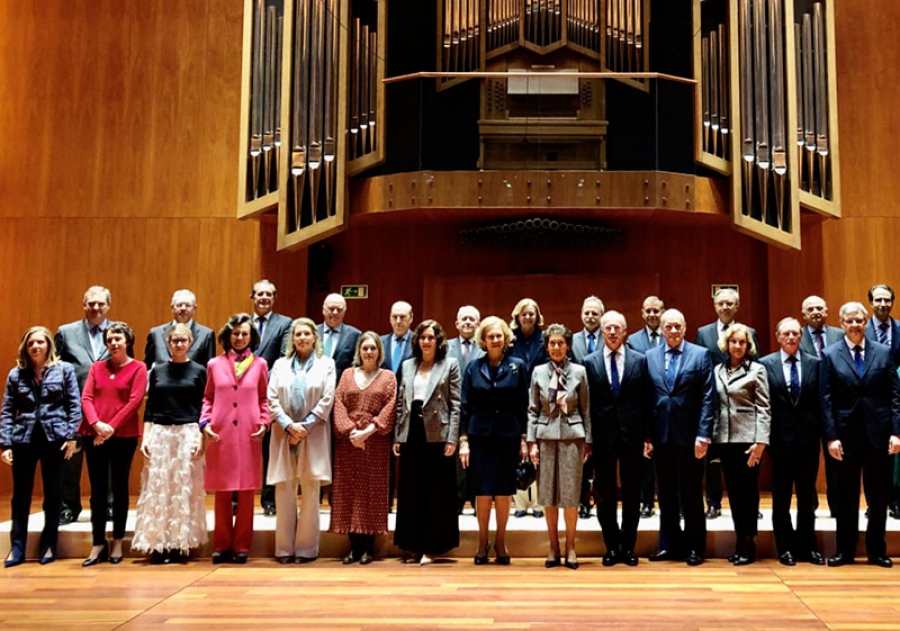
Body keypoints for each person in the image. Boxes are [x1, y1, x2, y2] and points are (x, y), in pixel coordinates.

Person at [821, 302, 900, 568]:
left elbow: (895, 396)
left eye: (860, 320)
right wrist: (831, 436)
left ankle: (877, 551)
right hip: (844, 437)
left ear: (866, 323)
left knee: (879, 497)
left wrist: (896, 432)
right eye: (850, 320)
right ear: (841, 323)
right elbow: (826, 399)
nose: (855, 325)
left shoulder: (884, 352)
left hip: (879, 435)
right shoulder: (830, 354)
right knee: (846, 497)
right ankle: (845, 550)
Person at [1, 327, 81, 567]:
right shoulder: (16, 374)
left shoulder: (64, 370)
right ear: (25, 348)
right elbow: (7, 410)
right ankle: (17, 548)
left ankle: (49, 544)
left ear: (49, 345)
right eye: (30, 343)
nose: (35, 347)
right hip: (23, 439)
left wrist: (72, 436)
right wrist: (5, 443)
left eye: (40, 342)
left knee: (54, 494)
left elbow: (74, 406)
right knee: (21, 496)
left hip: (54, 439)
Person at [132, 323, 208, 565]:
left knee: (183, 490)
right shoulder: (157, 371)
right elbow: (150, 406)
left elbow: (203, 407)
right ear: (168, 343)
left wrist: (201, 436)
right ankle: (159, 544)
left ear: (190, 343)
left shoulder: (199, 371)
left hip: (188, 432)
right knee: (159, 489)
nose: (178, 344)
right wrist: (147, 435)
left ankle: (179, 543)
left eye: (182, 340)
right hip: (161, 433)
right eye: (174, 340)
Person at [646, 309, 716, 566]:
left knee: (691, 495)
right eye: (669, 327)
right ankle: (669, 545)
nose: (673, 331)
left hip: (691, 438)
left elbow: (709, 398)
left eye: (677, 326)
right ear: (662, 329)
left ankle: (695, 547)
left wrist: (704, 434)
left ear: (685, 328)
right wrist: (647, 435)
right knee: (665, 495)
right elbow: (647, 397)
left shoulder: (700, 355)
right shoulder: (650, 356)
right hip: (661, 437)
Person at [459, 316, 529, 565]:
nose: (495, 340)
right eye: (491, 336)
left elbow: (523, 405)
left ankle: (500, 541)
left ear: (506, 338)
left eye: (499, 335)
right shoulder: (473, 367)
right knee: (482, 490)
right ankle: (481, 542)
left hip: (508, 436)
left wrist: (524, 438)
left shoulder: (518, 366)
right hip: (480, 437)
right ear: (483, 340)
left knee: (503, 491)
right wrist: (464, 439)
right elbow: (465, 405)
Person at [201, 313, 270, 564]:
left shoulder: (260, 364)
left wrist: (264, 422)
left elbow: (264, 398)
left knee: (245, 492)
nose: (240, 338)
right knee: (221, 491)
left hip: (249, 433)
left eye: (244, 333)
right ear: (227, 336)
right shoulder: (214, 364)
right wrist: (205, 422)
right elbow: (208, 397)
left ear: (251, 337)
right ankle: (221, 545)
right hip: (222, 433)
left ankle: (241, 545)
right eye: (235, 333)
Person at [80, 321, 148, 566]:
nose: (113, 343)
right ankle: (99, 542)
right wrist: (97, 424)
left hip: (123, 436)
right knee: (97, 491)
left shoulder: (138, 368)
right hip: (94, 433)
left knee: (119, 488)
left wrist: (109, 428)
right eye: (109, 340)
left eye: (118, 339)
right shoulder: (97, 367)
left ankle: (118, 540)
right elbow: (86, 397)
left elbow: (135, 401)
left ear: (128, 341)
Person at [584, 311, 650, 567]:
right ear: (602, 331)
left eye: (617, 328)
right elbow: (587, 404)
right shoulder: (589, 362)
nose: (612, 332)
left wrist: (647, 435)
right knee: (605, 493)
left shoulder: (639, 360)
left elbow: (646, 400)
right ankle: (611, 546)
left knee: (633, 492)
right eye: (607, 328)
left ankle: (629, 547)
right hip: (602, 437)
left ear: (624, 332)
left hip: (632, 435)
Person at [267, 318, 335, 564]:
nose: (302, 338)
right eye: (298, 334)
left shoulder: (327, 365)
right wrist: (288, 425)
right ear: (292, 339)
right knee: (284, 490)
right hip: (284, 434)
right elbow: (271, 398)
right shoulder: (279, 365)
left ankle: (306, 549)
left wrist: (304, 426)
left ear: (315, 337)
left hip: (312, 434)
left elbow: (327, 398)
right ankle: (284, 549)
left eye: (307, 334)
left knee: (310, 490)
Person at [393, 320, 461, 565]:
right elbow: (401, 403)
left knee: (437, 492)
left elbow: (455, 404)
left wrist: (453, 437)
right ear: (417, 341)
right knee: (412, 490)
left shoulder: (449, 364)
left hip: (438, 434)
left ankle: (433, 548)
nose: (426, 341)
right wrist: (398, 436)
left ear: (438, 340)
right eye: (422, 337)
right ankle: (412, 545)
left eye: (431, 337)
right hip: (412, 432)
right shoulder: (408, 365)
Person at [760, 318, 825, 566]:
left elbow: (821, 403)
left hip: (808, 441)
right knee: (782, 497)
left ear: (801, 336)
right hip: (779, 441)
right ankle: (785, 547)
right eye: (786, 333)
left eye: (795, 334)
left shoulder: (815, 364)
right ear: (778, 336)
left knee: (807, 497)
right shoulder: (765, 365)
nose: (791, 338)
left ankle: (807, 547)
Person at [527, 323, 591, 570]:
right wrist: (532, 442)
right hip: (545, 437)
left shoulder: (579, 372)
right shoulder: (538, 372)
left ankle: (571, 546)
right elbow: (533, 409)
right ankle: (553, 545)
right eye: (552, 343)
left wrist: (588, 441)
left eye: (560, 343)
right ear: (546, 347)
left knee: (570, 495)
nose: (556, 347)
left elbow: (586, 409)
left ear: (567, 346)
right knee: (548, 495)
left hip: (572, 437)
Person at [330, 332, 397, 564]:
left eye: (373, 348)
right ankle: (353, 547)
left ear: (380, 351)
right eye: (365, 348)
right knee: (349, 492)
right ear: (359, 350)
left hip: (375, 441)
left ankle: (368, 547)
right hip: (348, 443)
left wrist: (369, 430)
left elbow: (391, 406)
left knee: (371, 493)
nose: (369, 352)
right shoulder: (347, 374)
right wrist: (351, 432)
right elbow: (338, 403)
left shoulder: (388, 377)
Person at [694, 288, 760, 520]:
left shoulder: (749, 332)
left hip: (742, 410)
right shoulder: (703, 333)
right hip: (714, 404)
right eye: (721, 303)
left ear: (737, 306)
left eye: (729, 303)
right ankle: (713, 502)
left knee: (745, 463)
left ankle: (750, 505)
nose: (725, 307)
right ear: (714, 306)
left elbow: (756, 366)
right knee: (712, 459)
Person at [54, 285, 113, 526]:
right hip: (73, 408)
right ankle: (69, 506)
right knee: (70, 460)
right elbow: (54, 368)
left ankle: (107, 505)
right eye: (91, 303)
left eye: (100, 303)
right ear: (84, 305)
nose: (96, 307)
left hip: (106, 409)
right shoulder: (66, 333)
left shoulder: (117, 331)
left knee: (106, 462)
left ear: (108, 306)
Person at [712, 323, 770, 565]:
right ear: (727, 344)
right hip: (725, 440)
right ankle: (739, 540)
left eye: (742, 342)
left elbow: (764, 408)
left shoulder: (757, 370)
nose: (737, 346)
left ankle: (749, 542)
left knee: (748, 493)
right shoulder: (717, 370)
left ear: (748, 346)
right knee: (733, 494)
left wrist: (761, 442)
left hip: (748, 440)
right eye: (734, 341)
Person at [250, 279, 292, 517]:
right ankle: (236, 499)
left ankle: (269, 500)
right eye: (259, 294)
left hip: (269, 393)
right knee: (242, 448)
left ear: (274, 298)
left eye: (268, 294)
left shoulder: (285, 323)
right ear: (252, 297)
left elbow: (283, 358)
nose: (264, 297)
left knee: (269, 449)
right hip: (242, 395)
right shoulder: (241, 322)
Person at [799, 295, 843, 518]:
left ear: (827, 311)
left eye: (820, 308)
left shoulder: (840, 335)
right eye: (810, 309)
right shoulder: (796, 335)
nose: (815, 312)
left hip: (834, 407)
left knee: (835, 459)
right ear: (803, 314)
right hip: (806, 409)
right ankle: (810, 505)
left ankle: (837, 505)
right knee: (808, 460)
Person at [626, 295, 665, 518]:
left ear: (662, 311)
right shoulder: (633, 340)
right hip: (643, 405)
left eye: (656, 310)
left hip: (665, 405)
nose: (652, 314)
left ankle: (674, 504)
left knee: (668, 460)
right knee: (645, 460)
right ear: (642, 313)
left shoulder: (670, 335)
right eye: (648, 310)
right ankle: (647, 502)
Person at [509, 298, 547, 518]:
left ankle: (539, 504)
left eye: (532, 313)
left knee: (538, 451)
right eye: (524, 313)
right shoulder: (510, 338)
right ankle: (521, 504)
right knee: (518, 450)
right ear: (517, 315)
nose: (528, 317)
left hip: (539, 397)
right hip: (515, 395)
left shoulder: (544, 338)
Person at [864, 284, 900, 519]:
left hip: (896, 397)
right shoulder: (860, 330)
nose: (882, 304)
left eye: (887, 300)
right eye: (878, 300)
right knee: (870, 456)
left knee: (895, 455)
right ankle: (873, 503)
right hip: (870, 401)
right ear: (871, 303)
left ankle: (895, 500)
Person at [447, 306, 483, 513]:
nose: (468, 322)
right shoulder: (446, 347)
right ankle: (457, 503)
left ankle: (479, 503)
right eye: (464, 319)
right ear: (457, 324)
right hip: (454, 410)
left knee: (478, 458)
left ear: (478, 324)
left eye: (472, 319)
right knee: (456, 462)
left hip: (480, 412)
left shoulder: (486, 346)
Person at [144, 289, 216, 370]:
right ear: (172, 307)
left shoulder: (206, 335)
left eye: (188, 305)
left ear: (194, 309)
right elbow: (147, 367)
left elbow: (210, 370)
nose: (183, 309)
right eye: (179, 305)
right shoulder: (156, 334)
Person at [317, 293, 361, 384]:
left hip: (342, 388)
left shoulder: (355, 335)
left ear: (344, 311)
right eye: (331, 308)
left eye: (339, 309)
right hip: (314, 388)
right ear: (323, 310)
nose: (335, 312)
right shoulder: (312, 332)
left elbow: (358, 366)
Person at [381, 301, 414, 375]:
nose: (398, 321)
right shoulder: (380, 342)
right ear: (390, 318)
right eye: (395, 317)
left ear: (411, 318)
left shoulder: (418, 342)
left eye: (402, 317)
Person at [571, 296, 605, 363]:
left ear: (602, 316)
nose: (590, 316)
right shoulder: (572, 339)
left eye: (594, 314)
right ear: (581, 314)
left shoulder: (608, 338)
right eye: (586, 313)